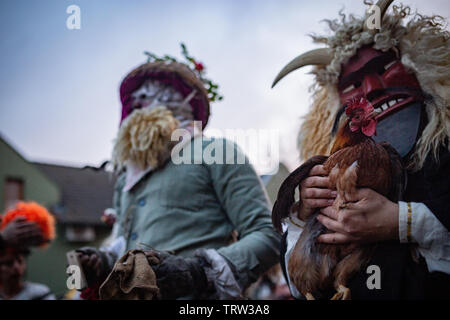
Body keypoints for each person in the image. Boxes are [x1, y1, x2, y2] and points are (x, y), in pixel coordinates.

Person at [271, 0, 450, 299]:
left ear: (418, 66)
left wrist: (403, 222)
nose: (371, 89)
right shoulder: (329, 164)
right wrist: (304, 216)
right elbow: (299, 288)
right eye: (353, 83)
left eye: (385, 67)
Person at [76, 44, 280, 300]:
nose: (138, 102)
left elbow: (267, 233)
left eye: (151, 94)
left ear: (181, 102)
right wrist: (102, 260)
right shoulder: (127, 176)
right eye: (134, 100)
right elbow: (124, 242)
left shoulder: (216, 150)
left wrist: (199, 272)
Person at [0, 203, 56, 300]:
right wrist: (2, 238)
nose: (17, 268)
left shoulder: (40, 294)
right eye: (8, 263)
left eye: (20, 261)